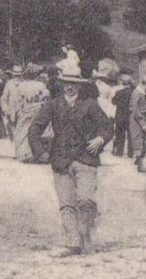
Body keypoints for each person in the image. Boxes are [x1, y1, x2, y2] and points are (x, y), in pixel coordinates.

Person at [28, 68, 114, 257]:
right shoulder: (52, 105)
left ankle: (87, 235)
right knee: (66, 203)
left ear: (80, 86)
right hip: (61, 160)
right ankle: (73, 243)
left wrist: (100, 139)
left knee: (86, 199)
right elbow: (34, 129)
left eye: (73, 84)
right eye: (66, 83)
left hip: (86, 159)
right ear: (61, 85)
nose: (70, 87)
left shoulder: (90, 105)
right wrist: (40, 153)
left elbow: (107, 127)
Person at [4, 63, 52, 163]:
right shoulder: (42, 85)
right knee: (37, 132)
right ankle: (37, 154)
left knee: (23, 132)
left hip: (25, 112)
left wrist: (19, 110)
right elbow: (46, 99)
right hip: (38, 111)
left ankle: (25, 155)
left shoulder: (22, 86)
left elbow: (19, 101)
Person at [111, 70, 134, 158]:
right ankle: (130, 153)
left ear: (123, 83)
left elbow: (113, 102)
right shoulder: (133, 92)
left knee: (119, 134)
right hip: (130, 117)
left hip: (120, 117)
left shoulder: (119, 92)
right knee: (130, 135)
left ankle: (119, 152)